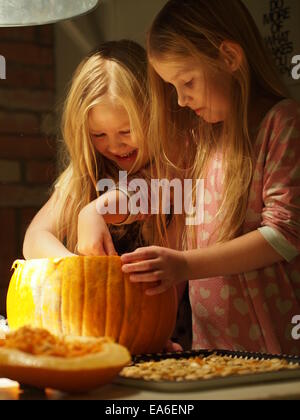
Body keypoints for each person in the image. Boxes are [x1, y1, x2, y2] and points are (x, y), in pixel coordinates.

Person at [121, 0, 300, 355]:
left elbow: (285, 235)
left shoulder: (284, 123)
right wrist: (96, 211)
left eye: (186, 82)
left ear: (230, 57)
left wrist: (185, 265)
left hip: (279, 348)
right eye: (172, 87)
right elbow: (160, 188)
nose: (182, 100)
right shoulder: (202, 140)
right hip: (211, 350)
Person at [23, 40, 156, 259]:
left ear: (155, 115)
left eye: (126, 131)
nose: (114, 146)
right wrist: (76, 268)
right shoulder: (88, 171)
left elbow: (141, 191)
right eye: (99, 135)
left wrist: (96, 211)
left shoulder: (173, 165)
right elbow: (36, 235)